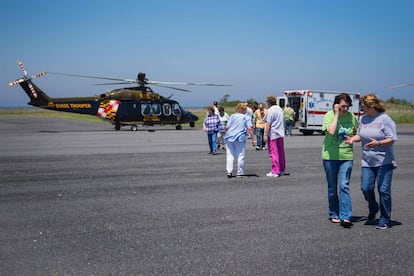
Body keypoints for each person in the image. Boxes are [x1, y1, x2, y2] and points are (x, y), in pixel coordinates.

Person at [344, 94, 397, 230]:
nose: (362, 108)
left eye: (363, 106)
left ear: (371, 106)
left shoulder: (385, 119)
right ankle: (373, 206)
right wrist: (352, 139)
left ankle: (385, 219)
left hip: (384, 161)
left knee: (383, 190)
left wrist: (378, 143)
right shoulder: (364, 118)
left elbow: (392, 139)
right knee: (366, 188)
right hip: (367, 161)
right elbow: (360, 135)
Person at [322, 93, 358, 228]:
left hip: (346, 156)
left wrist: (354, 139)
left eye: (347, 106)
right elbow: (331, 131)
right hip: (330, 157)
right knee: (332, 188)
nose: (345, 109)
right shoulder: (329, 115)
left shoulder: (351, 117)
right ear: (336, 105)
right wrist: (336, 113)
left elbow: (358, 133)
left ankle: (346, 216)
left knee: (344, 185)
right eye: (342, 106)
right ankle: (333, 213)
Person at [224, 103, 255, 177]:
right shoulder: (246, 117)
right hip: (239, 138)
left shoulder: (232, 116)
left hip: (229, 137)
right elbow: (249, 128)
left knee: (230, 155)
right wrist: (253, 139)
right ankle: (240, 172)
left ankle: (229, 171)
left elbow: (227, 127)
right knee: (240, 155)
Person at [263, 94, 286, 177]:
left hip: (273, 134)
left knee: (274, 153)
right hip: (280, 133)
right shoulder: (279, 109)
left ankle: (275, 171)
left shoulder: (270, 110)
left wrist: (265, 134)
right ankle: (282, 169)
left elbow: (268, 123)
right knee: (281, 152)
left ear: (269, 102)